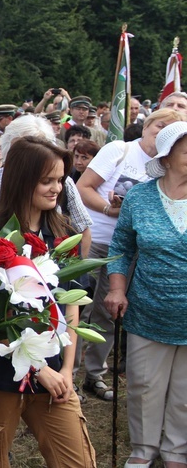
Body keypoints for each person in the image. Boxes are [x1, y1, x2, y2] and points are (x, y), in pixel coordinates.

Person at [0, 136, 95, 468]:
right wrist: (40, 369)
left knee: (77, 460)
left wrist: (65, 368)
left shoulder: (63, 235)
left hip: (55, 375)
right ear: (22, 181)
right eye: (47, 180)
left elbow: (71, 305)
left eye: (61, 180)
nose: (56, 188)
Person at [75, 108, 186, 401]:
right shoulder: (120, 150)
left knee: (108, 313)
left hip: (136, 248)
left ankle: (94, 374)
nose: (162, 132)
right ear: (146, 125)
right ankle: (69, 374)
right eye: (159, 125)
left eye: (170, 130)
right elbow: (82, 187)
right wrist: (109, 209)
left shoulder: (174, 166)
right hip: (96, 240)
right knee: (77, 309)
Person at [106, 121, 187, 468]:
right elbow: (121, 247)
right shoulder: (140, 196)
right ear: (167, 158)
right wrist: (116, 288)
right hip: (147, 309)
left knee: (184, 392)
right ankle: (143, 448)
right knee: (143, 386)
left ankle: (176, 452)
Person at [0, 115, 93, 256]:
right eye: (46, 181)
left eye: (58, 180)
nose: (56, 188)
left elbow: (83, 232)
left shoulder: (65, 230)